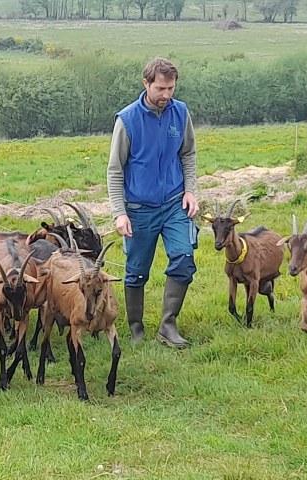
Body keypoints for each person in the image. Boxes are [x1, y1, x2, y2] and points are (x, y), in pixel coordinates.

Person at [106, 57, 198, 348]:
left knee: (184, 260)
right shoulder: (127, 120)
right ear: (146, 83)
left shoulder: (180, 113)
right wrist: (119, 213)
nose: (166, 95)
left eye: (170, 88)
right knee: (136, 271)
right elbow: (115, 169)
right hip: (138, 209)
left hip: (174, 203)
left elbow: (189, 154)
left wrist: (190, 190)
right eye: (160, 88)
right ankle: (135, 327)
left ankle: (168, 325)